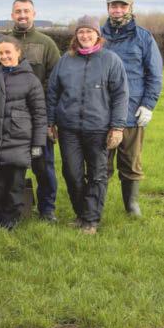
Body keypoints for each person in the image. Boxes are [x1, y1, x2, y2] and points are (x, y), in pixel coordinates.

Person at [48, 16, 128, 234]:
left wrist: (118, 127)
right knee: (72, 173)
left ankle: (91, 220)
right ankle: (81, 213)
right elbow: (53, 92)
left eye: (89, 32)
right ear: (76, 35)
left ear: (97, 35)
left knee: (97, 174)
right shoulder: (66, 60)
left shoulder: (111, 60)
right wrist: (50, 121)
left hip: (99, 128)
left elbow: (121, 95)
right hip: (69, 128)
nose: (85, 36)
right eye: (81, 32)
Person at [0, 0, 61, 221]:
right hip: (11, 118)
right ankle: (6, 208)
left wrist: (50, 118)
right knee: (10, 167)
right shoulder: (2, 42)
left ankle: (47, 208)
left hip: (40, 115)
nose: (22, 15)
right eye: (18, 11)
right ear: (12, 15)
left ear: (34, 13)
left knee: (43, 165)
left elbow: (56, 80)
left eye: (26, 11)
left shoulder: (46, 43)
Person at [101, 0, 163, 217]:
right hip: (102, 112)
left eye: (122, 6)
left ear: (130, 8)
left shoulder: (143, 37)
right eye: (113, 6)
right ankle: (96, 205)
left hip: (132, 112)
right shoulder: (98, 36)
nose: (117, 10)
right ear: (108, 8)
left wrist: (148, 104)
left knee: (130, 163)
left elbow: (155, 75)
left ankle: (132, 205)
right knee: (100, 164)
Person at [0, 37, 46, 230]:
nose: (4, 56)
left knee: (14, 187)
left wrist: (37, 145)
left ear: (18, 52)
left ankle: (10, 221)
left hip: (18, 142)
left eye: (8, 52)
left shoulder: (31, 80)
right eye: (1, 53)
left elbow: (40, 114)